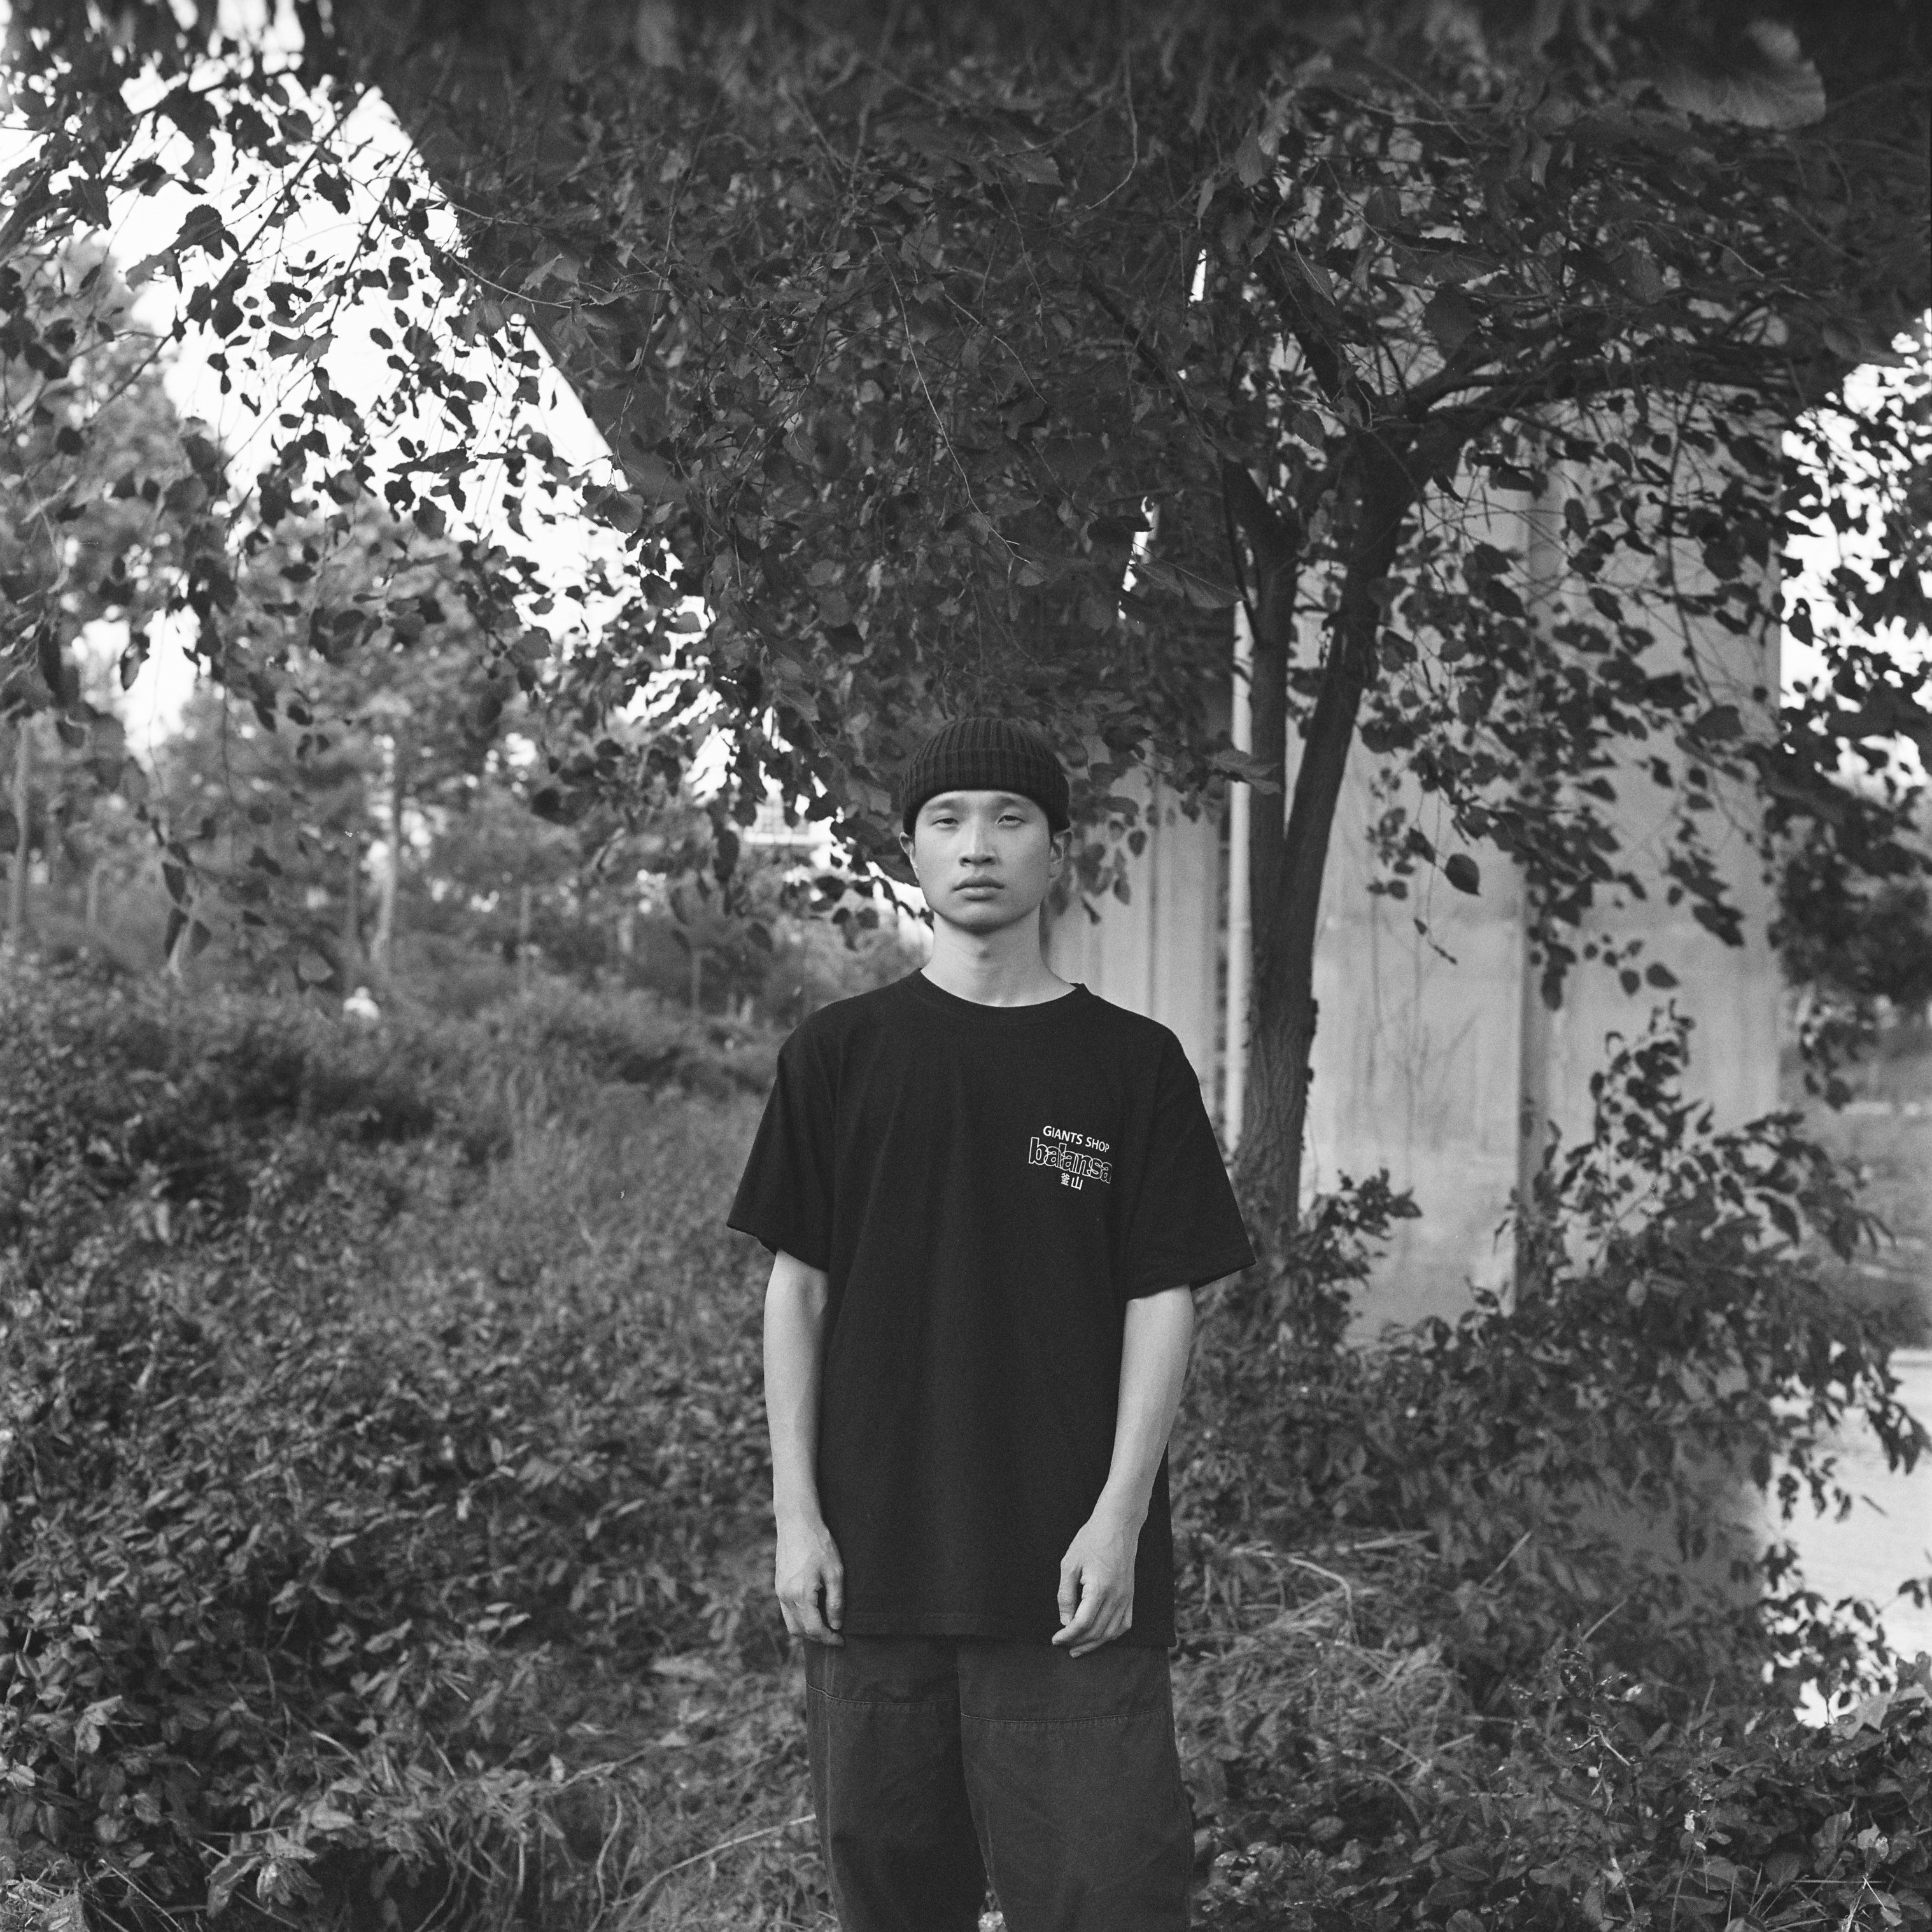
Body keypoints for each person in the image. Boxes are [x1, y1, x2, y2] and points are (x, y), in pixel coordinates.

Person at [727, 715, 1255, 1932]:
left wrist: (1121, 1520)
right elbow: (797, 1293)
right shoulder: (838, 1056)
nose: (979, 846)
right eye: (948, 820)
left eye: (1010, 819)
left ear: (1057, 852)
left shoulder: (1132, 1065)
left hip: (1071, 1577)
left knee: (1108, 1898)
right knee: (891, 1900)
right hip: (875, 1567)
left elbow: (1162, 1299)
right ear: (910, 851)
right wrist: (798, 1519)